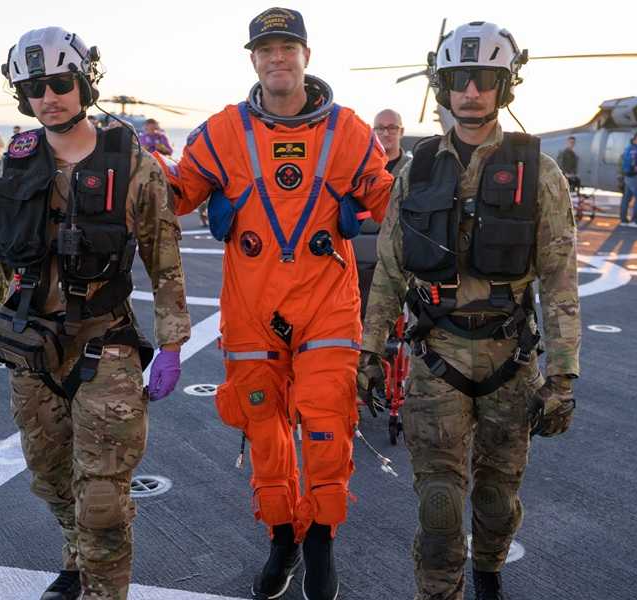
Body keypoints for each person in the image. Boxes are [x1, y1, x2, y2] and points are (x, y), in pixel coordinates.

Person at [156, 8, 393, 599]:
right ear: (253, 59)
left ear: (306, 56)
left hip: (327, 305)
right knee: (262, 426)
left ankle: (321, 545)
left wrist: (446, 189)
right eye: (266, 49)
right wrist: (126, 159)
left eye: (288, 47)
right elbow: (176, 193)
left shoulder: (349, 131)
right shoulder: (224, 131)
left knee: (325, 422)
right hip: (252, 310)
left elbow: (393, 201)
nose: (277, 58)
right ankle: (284, 537)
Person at [0, 27, 190, 600]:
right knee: (52, 479)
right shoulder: (13, 165)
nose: (48, 96)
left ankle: (103, 586)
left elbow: (165, 260)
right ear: (21, 97)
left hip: (105, 345)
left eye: (60, 82)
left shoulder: (133, 162)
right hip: (30, 347)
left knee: (103, 499)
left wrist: (173, 344)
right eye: (34, 88)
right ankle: (77, 558)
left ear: (84, 83)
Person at [358, 21, 580, 600]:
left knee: (497, 501)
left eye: (485, 79)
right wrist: (370, 353)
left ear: (504, 86)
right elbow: (387, 269)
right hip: (436, 356)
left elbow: (559, 278)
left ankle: (489, 568)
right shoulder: (417, 169)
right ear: (442, 86)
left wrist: (563, 375)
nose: (472, 92)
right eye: (460, 79)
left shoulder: (541, 174)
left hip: (511, 359)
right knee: (438, 508)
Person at [354, 108, 411, 318]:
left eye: (392, 128)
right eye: (380, 128)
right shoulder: (359, 171)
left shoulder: (414, 171)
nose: (386, 133)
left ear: (401, 131)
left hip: (402, 258)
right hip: (364, 262)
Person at [619, 132, 637, 227]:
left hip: (628, 176)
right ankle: (634, 221)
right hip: (633, 176)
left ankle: (623, 220)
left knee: (626, 198)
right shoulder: (634, 150)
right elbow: (633, 162)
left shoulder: (628, 148)